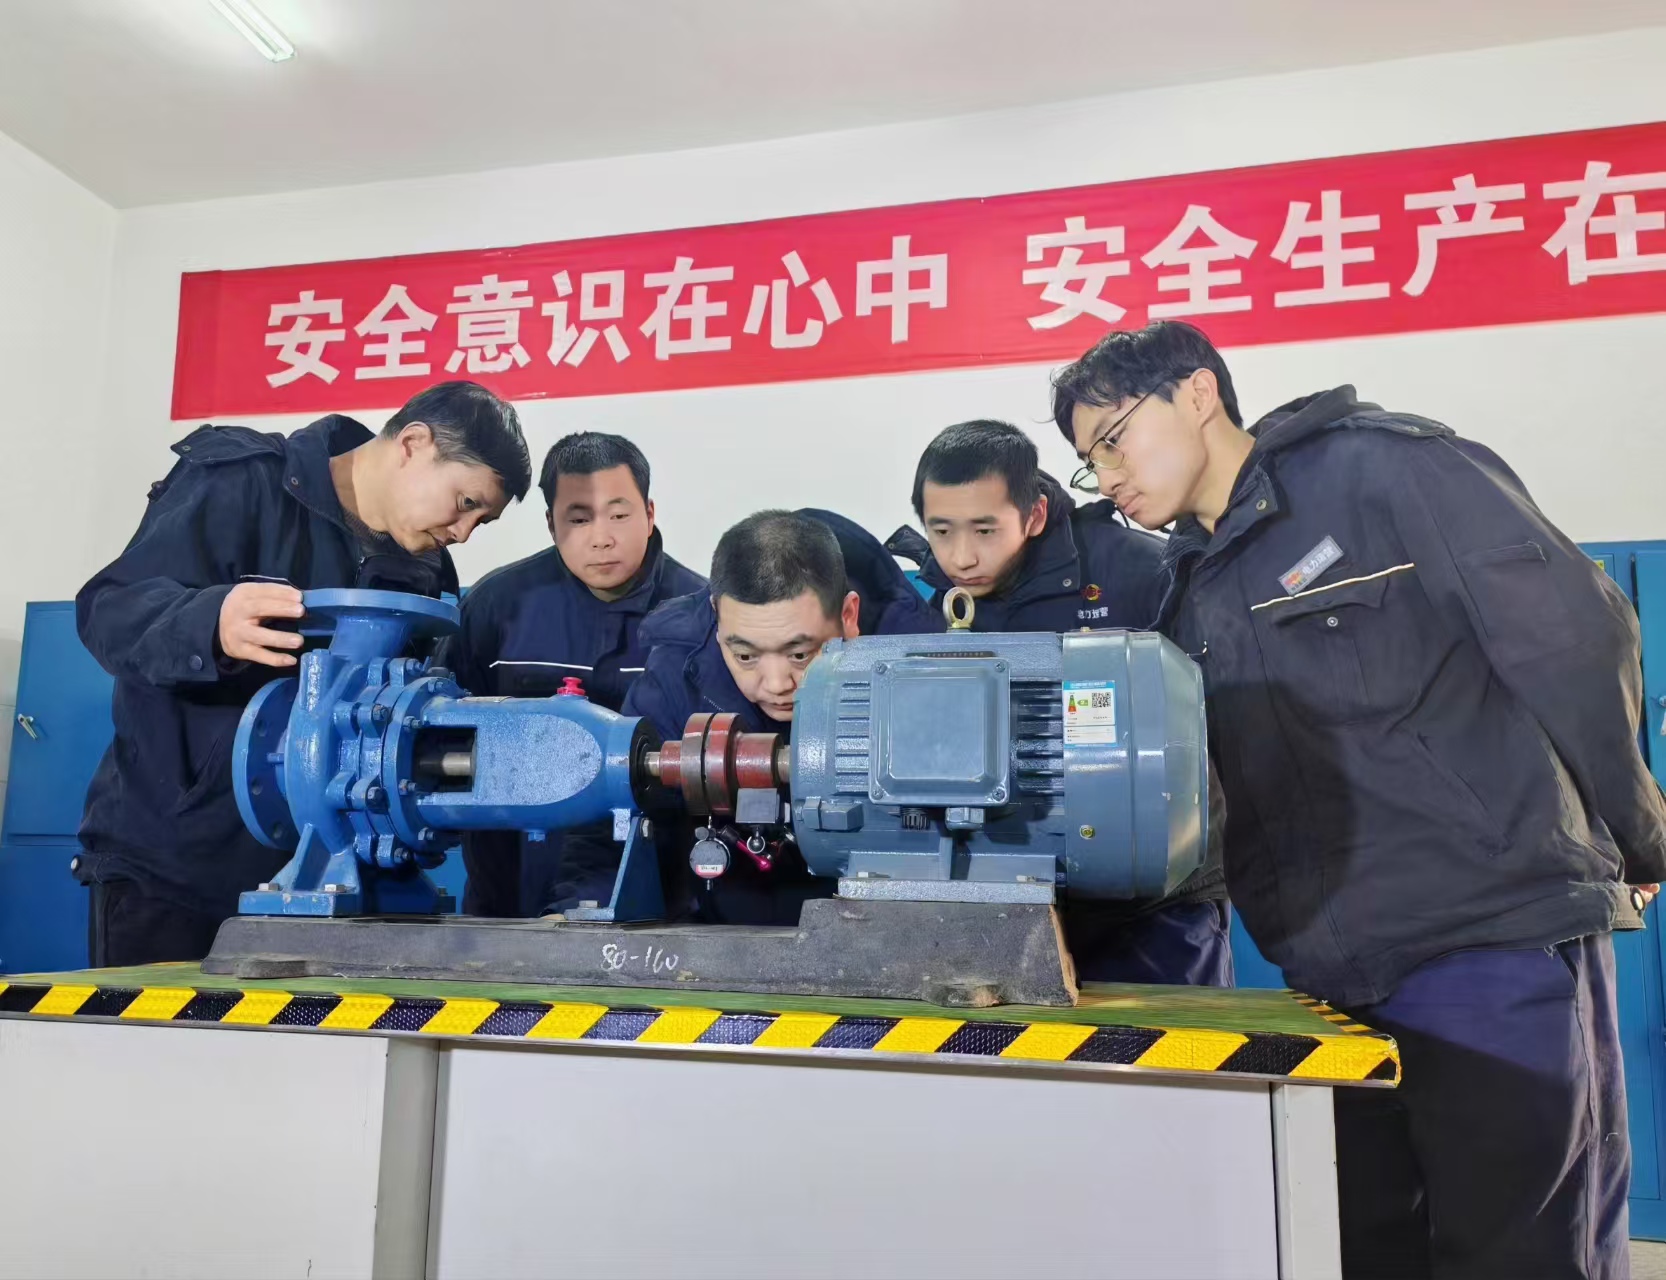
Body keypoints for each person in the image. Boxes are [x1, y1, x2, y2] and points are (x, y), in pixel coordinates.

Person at [1052, 318, 1665, 1278]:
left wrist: (1638, 835)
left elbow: (1575, 634)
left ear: (1198, 391)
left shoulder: (1382, 472)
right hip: (1330, 979)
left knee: (1525, 1253)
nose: (1107, 476)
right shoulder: (1190, 590)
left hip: (1487, 942)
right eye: (1090, 462)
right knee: (1369, 1248)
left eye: (1113, 438)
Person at [75, 381, 533, 968]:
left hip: (329, 886)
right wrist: (209, 621)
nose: (463, 531)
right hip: (175, 869)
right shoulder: (245, 482)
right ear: (414, 443)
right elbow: (108, 610)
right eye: (465, 502)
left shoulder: (424, 572)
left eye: (482, 521)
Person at [909, 418, 1230, 987]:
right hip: (1009, 895)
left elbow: (1220, 716)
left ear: (1033, 515)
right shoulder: (933, 604)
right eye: (941, 531)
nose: (961, 556)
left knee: (1170, 1044)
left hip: (1155, 902)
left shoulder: (1140, 571)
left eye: (984, 530)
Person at [560, 508, 942, 925]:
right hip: (726, 935)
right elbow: (610, 827)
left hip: (887, 927)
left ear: (848, 616)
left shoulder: (920, 677)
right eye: (745, 655)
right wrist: (581, 913)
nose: (776, 683)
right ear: (717, 616)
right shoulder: (675, 682)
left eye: (800, 654)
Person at [440, 432, 705, 919]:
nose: (601, 538)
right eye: (579, 519)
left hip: (659, 908)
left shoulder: (701, 617)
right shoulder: (496, 608)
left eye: (619, 515)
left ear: (649, 514)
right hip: (508, 903)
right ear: (551, 524)